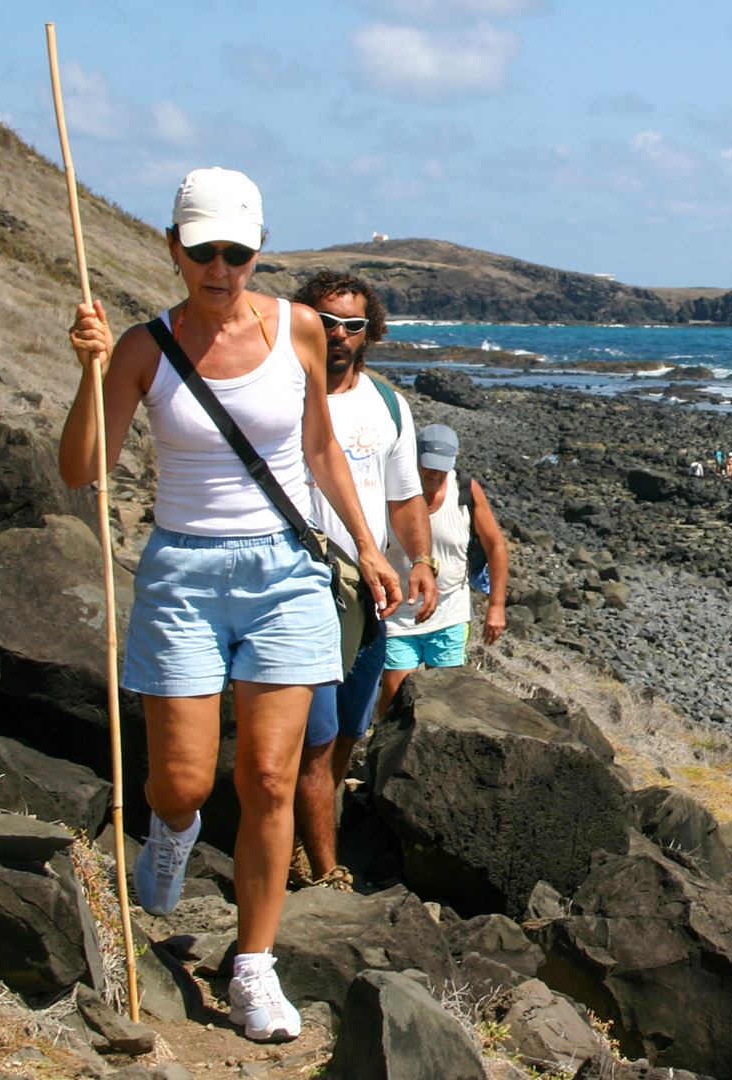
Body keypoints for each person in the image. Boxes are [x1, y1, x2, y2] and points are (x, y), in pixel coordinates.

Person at [59, 167, 398, 1043]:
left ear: (258, 250)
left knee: (271, 776)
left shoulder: (300, 331)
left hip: (287, 573)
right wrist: (91, 373)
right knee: (179, 780)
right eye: (202, 250)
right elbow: (80, 469)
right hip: (182, 575)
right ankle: (173, 831)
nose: (219, 267)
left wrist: (364, 544)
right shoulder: (144, 345)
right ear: (172, 248)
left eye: (236, 252)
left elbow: (320, 445)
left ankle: (254, 966)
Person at [290, 272, 437, 892]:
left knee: (350, 731)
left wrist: (421, 561)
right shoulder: (278, 393)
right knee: (317, 740)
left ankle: (314, 838)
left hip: (371, 594)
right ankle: (324, 869)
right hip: (300, 586)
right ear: (303, 321)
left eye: (353, 325)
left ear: (369, 333)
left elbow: (405, 498)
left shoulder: (387, 405)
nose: (339, 336)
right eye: (327, 321)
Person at [378, 424, 510, 709]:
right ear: (414, 455)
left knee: (447, 703)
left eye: (442, 467)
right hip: (398, 615)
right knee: (395, 700)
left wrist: (496, 606)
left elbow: (496, 546)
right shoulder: (388, 487)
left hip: (450, 611)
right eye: (428, 467)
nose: (435, 475)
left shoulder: (465, 490)